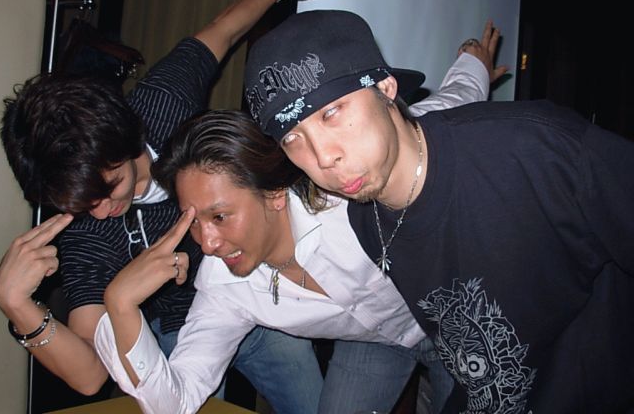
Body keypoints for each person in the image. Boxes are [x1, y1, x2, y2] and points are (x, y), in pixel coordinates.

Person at [61, 29, 497, 414]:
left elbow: (438, 115)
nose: (206, 243)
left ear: (272, 193)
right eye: (193, 221)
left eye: (220, 216)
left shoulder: (342, 192)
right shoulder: (222, 285)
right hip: (373, 344)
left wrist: (473, 65)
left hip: (450, 312)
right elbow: (175, 402)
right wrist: (120, 304)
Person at [243, 9, 634, 413]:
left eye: (331, 112)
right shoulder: (366, 217)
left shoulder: (537, 149)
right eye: (292, 138)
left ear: (385, 87)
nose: (323, 157)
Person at [0, 0, 324, 414]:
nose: (101, 211)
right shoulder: (83, 231)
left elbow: (222, 31)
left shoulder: (163, 103)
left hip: (254, 293)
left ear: (126, 141)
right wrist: (17, 305)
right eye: (82, 203)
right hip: (175, 336)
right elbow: (90, 375)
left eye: (108, 188)